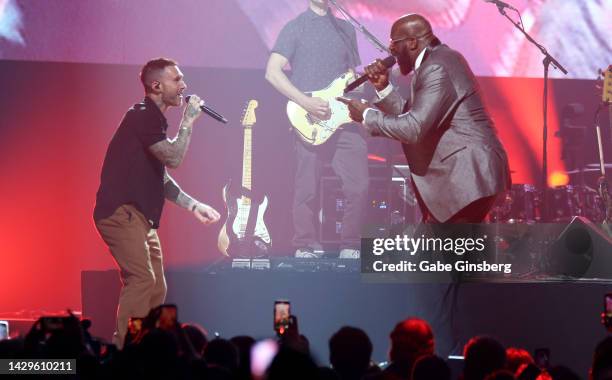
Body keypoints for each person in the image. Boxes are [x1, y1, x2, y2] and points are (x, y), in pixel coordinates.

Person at [93, 57, 221, 349]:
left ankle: (148, 345)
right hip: (120, 212)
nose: (184, 86)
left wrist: (193, 205)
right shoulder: (142, 115)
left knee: (156, 286)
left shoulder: (152, 120)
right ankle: (124, 348)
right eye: (177, 80)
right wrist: (188, 121)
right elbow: (174, 159)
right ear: (156, 85)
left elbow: (160, 177)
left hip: (140, 217)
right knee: (141, 279)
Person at [339, 14, 510, 224]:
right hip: (463, 175)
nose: (390, 49)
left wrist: (367, 115)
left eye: (394, 42)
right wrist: (383, 88)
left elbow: (413, 128)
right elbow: (413, 116)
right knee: (450, 251)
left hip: (467, 174)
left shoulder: (437, 66)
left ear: (412, 42)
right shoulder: (435, 62)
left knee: (448, 251)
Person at [265, 0, 369, 259]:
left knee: (359, 185)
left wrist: (362, 98)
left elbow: (349, 76)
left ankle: (351, 245)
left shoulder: (347, 28)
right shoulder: (295, 27)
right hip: (308, 117)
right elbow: (272, 72)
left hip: (343, 118)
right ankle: (305, 244)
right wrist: (306, 102)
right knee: (306, 187)